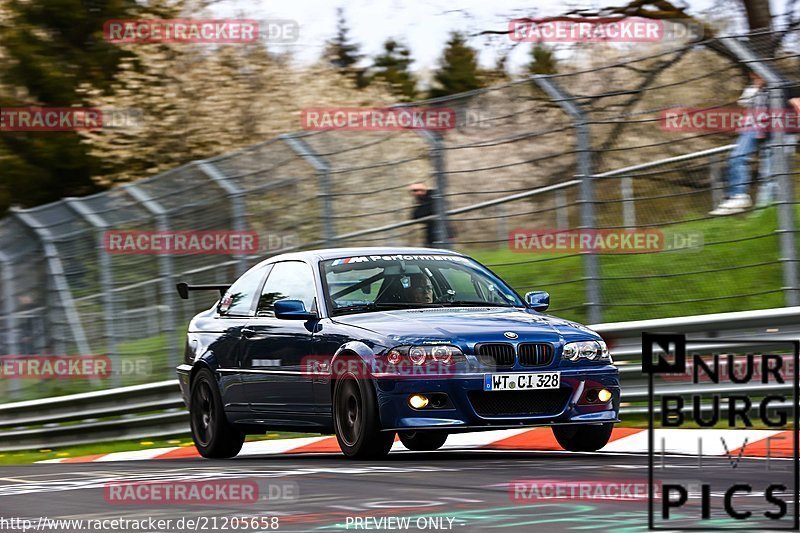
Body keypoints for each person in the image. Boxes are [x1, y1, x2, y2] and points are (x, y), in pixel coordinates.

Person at [710, 72, 768, 216]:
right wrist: (755, 88)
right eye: (754, 78)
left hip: (759, 127)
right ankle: (737, 195)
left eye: (758, 77)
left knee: (739, 158)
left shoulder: (773, 90)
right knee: (735, 158)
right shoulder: (752, 90)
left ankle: (741, 196)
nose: (757, 80)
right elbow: (743, 102)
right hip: (749, 127)